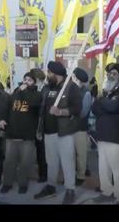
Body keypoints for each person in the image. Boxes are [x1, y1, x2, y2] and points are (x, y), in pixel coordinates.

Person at [34, 61, 82, 204]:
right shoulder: (48, 88)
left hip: (64, 132)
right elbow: (42, 109)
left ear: (56, 74)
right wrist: (40, 128)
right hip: (48, 132)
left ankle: (70, 190)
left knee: (67, 162)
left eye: (49, 73)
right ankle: (51, 186)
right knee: (51, 161)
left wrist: (60, 112)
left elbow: (77, 109)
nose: (47, 75)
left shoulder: (71, 87)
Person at [92, 63, 119, 204]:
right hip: (102, 135)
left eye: (113, 73)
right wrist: (103, 101)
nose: (110, 76)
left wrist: (102, 100)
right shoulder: (105, 91)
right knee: (103, 168)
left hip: (115, 136)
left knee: (118, 170)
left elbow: (114, 107)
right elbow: (95, 109)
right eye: (108, 74)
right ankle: (106, 191)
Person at [0, 72, 41, 194]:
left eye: (29, 80)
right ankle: (7, 183)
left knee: (25, 163)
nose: (26, 82)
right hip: (12, 134)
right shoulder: (15, 94)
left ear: (34, 82)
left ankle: (23, 184)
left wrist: (23, 92)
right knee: (9, 162)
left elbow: (33, 104)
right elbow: (6, 108)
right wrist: (2, 119)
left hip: (27, 136)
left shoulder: (37, 95)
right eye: (25, 79)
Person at [71, 67, 92, 186]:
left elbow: (83, 113)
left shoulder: (86, 93)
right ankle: (72, 175)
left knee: (81, 154)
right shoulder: (70, 90)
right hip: (69, 127)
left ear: (77, 79)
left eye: (73, 76)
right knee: (71, 154)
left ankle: (81, 175)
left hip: (80, 127)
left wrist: (68, 112)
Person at [30, 68, 48, 183]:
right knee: (38, 151)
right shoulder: (34, 89)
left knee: (42, 152)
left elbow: (42, 109)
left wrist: (39, 128)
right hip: (33, 122)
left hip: (42, 124)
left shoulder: (45, 89)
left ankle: (44, 174)